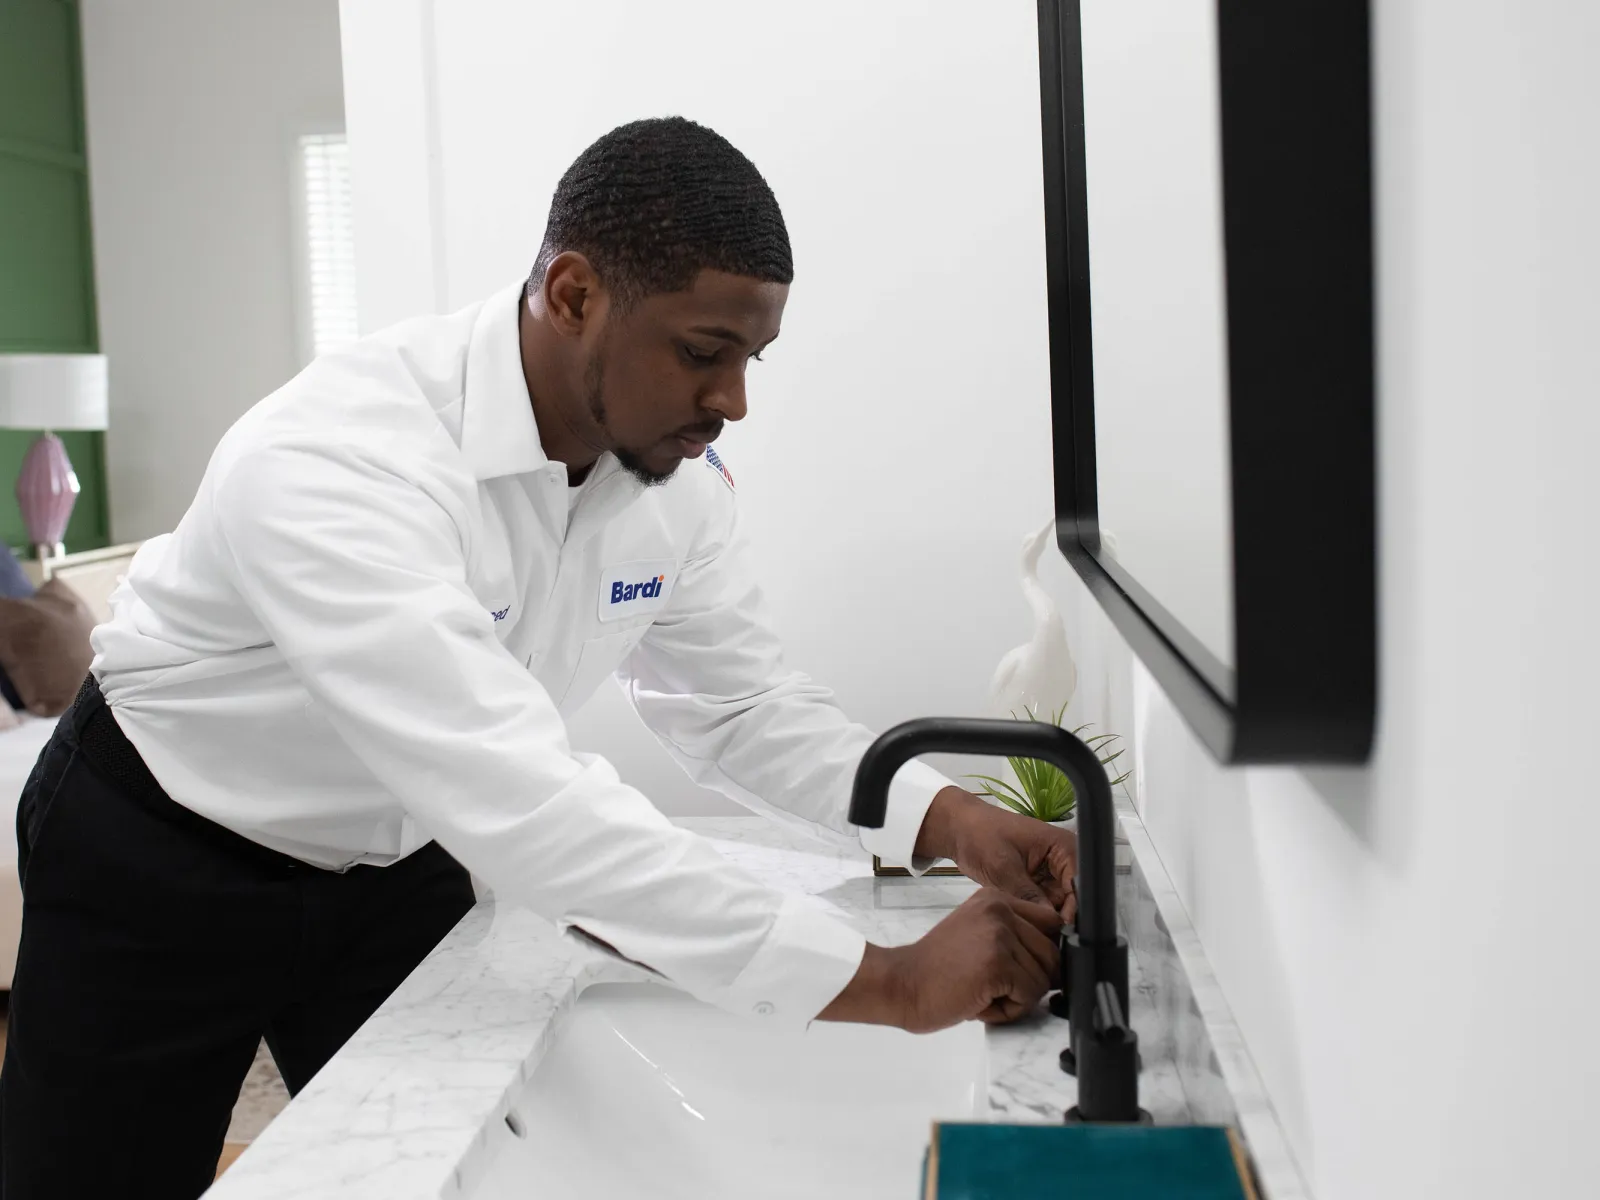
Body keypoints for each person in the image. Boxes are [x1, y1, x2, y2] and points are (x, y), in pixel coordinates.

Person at [0, 117, 1075, 1198]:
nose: (733, 402)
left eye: (751, 359)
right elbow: (524, 802)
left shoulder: (673, 486)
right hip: (163, 847)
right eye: (703, 352)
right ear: (572, 295)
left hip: (398, 856)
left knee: (444, 1166)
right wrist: (886, 982)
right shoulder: (337, 461)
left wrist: (949, 820)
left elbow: (744, 706)